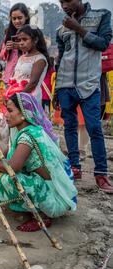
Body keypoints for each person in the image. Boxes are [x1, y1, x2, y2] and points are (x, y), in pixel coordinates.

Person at [0, 93, 77, 232]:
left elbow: (14, 166)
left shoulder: (28, 136)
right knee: (8, 177)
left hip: (54, 198)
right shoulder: (27, 130)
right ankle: (36, 206)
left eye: (10, 111)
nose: (6, 115)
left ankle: (42, 215)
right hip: (51, 189)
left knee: (9, 179)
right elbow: (10, 151)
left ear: (24, 114)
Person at [55, 0, 113, 193]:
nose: (63, 5)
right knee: (69, 127)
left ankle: (101, 174)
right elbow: (61, 57)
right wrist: (57, 89)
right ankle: (75, 167)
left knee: (94, 128)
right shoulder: (61, 28)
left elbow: (103, 44)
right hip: (65, 84)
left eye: (67, 0)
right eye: (60, 1)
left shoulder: (101, 15)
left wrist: (78, 28)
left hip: (89, 83)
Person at [12, 25, 50, 103]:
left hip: (30, 98)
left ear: (35, 40)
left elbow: (32, 83)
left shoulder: (39, 59)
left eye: (25, 39)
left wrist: (16, 98)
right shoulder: (21, 57)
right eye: (19, 40)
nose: (21, 43)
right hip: (17, 96)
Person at [0, 3, 30, 85]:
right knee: (9, 98)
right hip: (10, 77)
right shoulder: (8, 33)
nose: (17, 21)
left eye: (19, 18)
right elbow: (1, 56)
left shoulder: (33, 33)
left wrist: (21, 47)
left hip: (26, 77)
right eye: (14, 19)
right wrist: (6, 49)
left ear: (26, 17)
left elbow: (37, 54)